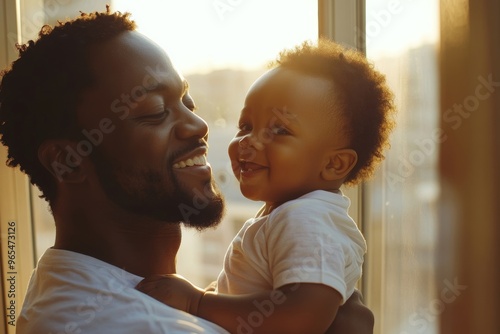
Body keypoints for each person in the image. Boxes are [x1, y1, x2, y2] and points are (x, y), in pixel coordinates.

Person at [0, 8, 375, 334]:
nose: (198, 125)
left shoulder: (116, 293)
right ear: (68, 160)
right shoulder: (115, 322)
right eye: (155, 112)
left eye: (187, 101)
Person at [136, 39, 395, 334]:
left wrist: (197, 302)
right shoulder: (287, 215)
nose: (249, 141)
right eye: (246, 126)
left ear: (334, 165)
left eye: (280, 130)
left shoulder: (307, 219)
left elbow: (302, 317)